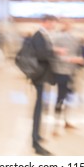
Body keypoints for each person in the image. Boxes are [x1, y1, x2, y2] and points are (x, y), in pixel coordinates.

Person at [30, 15, 58, 156]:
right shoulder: (39, 36)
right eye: (52, 23)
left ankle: (37, 136)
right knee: (38, 109)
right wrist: (55, 52)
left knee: (41, 108)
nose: (53, 25)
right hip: (39, 76)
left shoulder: (43, 35)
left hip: (42, 76)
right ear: (46, 22)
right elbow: (41, 55)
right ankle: (35, 142)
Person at [51, 19, 84, 135]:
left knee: (70, 97)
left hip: (72, 71)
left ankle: (66, 121)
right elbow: (52, 54)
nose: (69, 25)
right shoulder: (56, 37)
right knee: (60, 97)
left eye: (70, 23)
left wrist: (79, 60)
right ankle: (55, 125)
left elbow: (78, 53)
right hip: (61, 71)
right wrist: (70, 59)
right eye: (66, 23)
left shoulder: (74, 38)